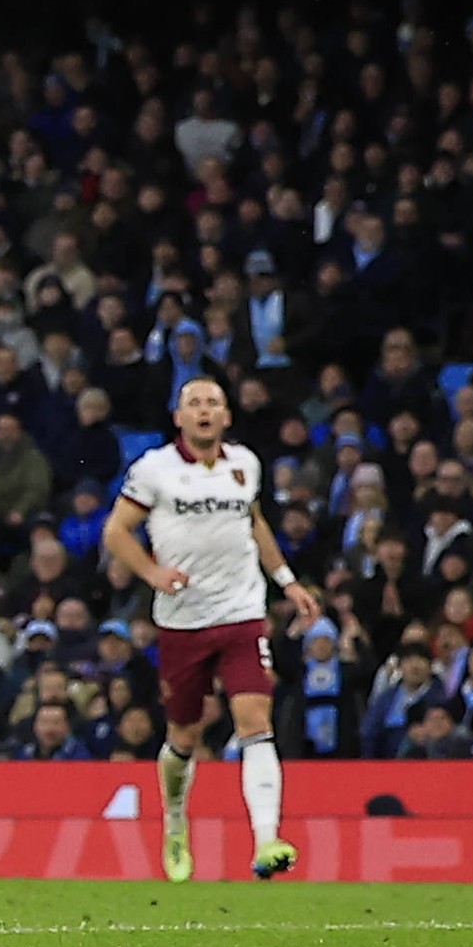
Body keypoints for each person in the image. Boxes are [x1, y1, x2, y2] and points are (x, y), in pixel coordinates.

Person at [104, 376, 323, 881]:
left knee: (254, 720)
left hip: (242, 614)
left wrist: (286, 581)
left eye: (213, 403)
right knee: (184, 733)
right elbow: (115, 532)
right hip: (182, 623)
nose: (204, 410)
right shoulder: (154, 470)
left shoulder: (245, 465)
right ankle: (176, 822)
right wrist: (154, 573)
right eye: (193, 403)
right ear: (178, 417)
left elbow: (255, 523)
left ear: (226, 416)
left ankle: (267, 841)